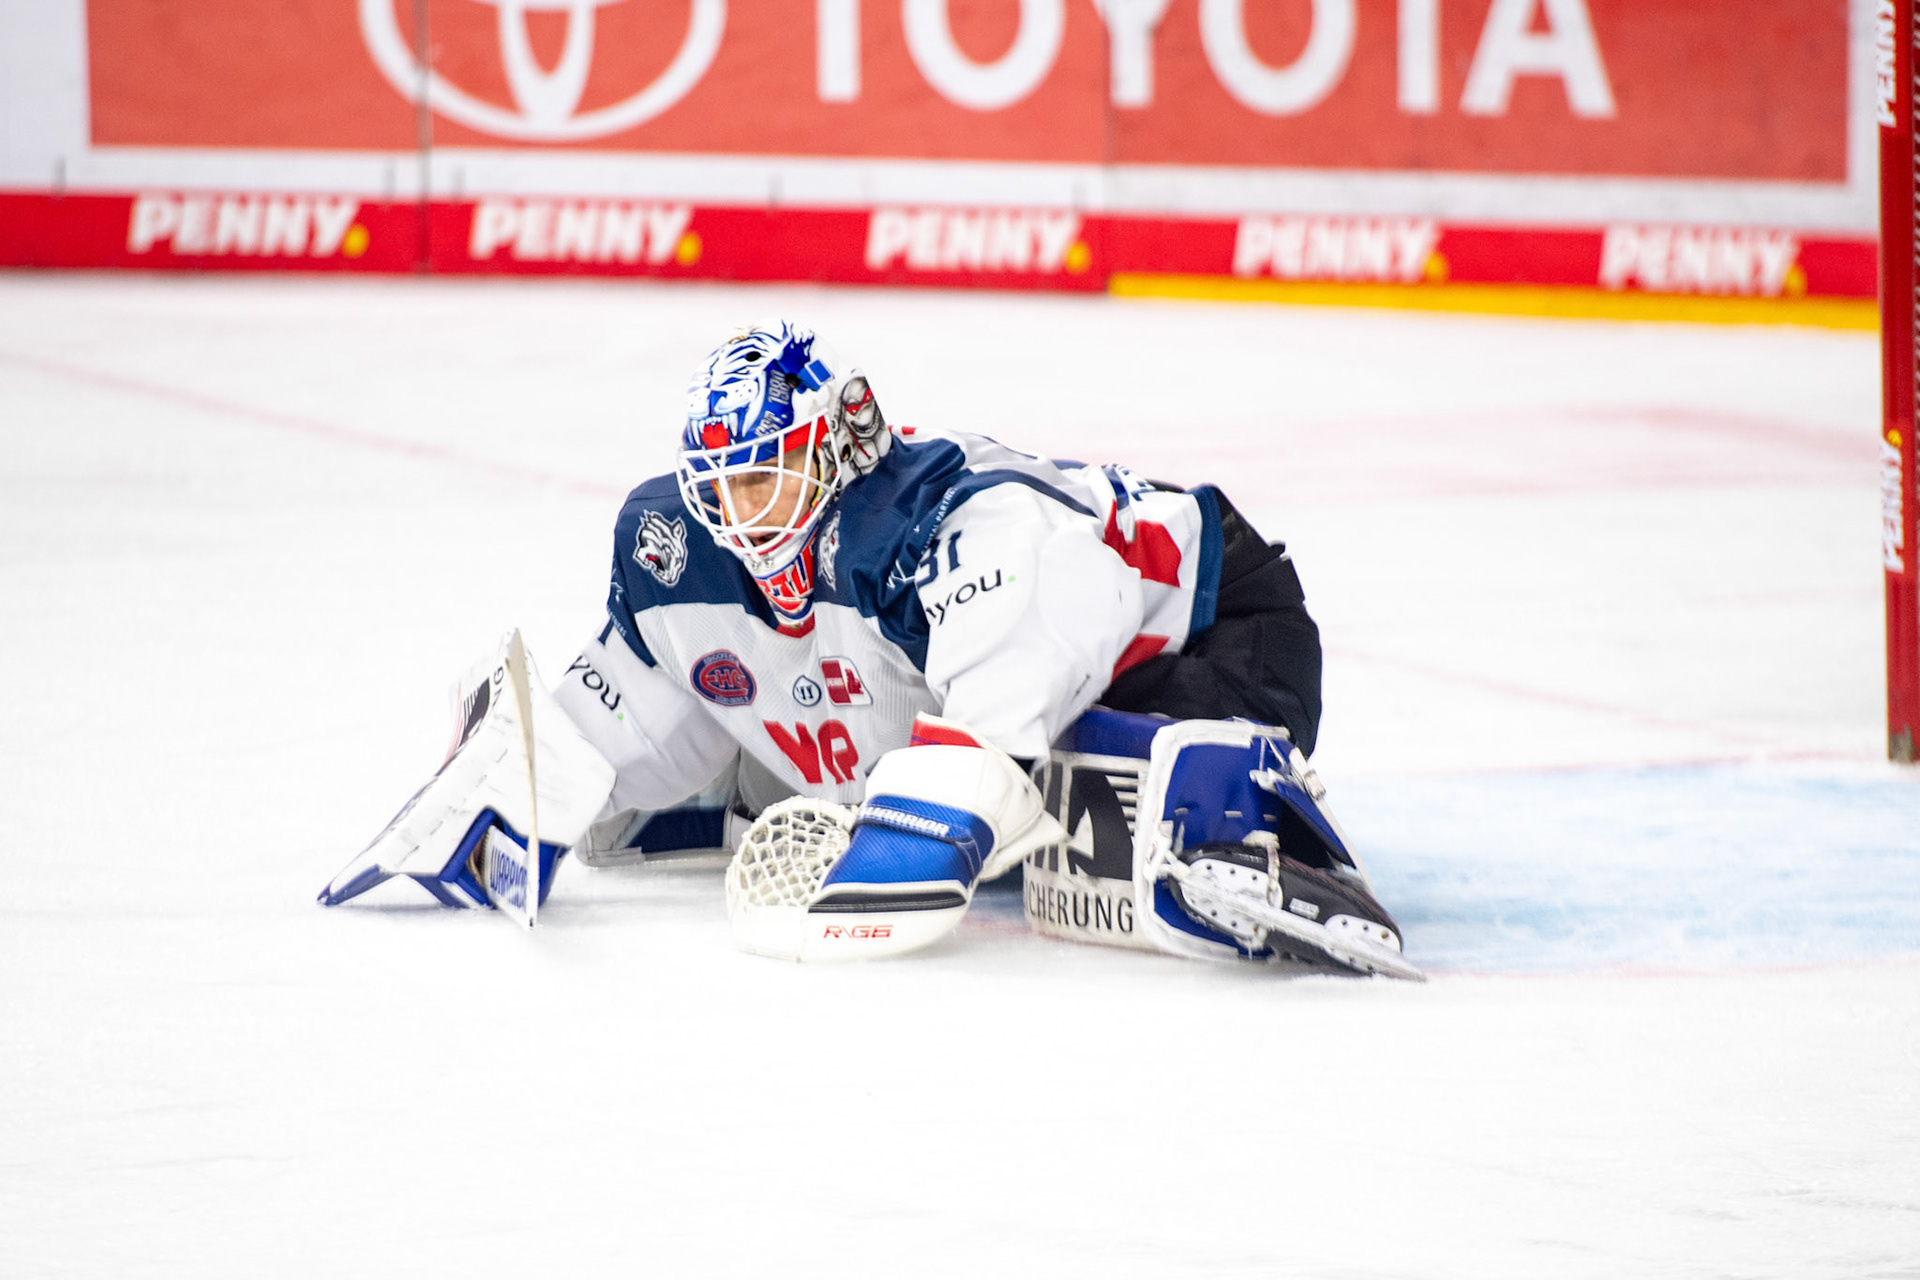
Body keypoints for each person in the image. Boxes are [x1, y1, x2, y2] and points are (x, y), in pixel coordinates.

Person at [319, 321, 1419, 979]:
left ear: (837, 445)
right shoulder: (679, 545)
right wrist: (522, 784)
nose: (738, 517)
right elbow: (606, 741)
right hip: (974, 668)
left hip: (1224, 626)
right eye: (719, 488)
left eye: (765, 477)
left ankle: (1242, 812)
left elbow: (948, 817)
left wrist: (914, 830)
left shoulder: (961, 524)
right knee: (745, 780)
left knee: (1079, 780)